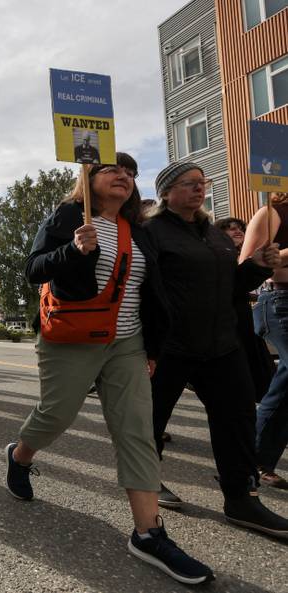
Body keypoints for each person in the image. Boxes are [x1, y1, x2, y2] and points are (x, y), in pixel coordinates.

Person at [6, 153, 215, 585]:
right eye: (113, 169)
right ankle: (20, 455)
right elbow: (32, 269)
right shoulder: (68, 216)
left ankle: (148, 533)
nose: (124, 176)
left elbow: (151, 291)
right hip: (72, 339)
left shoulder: (139, 229)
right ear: (89, 176)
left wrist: (152, 347)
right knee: (56, 414)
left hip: (127, 343)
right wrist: (72, 250)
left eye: (131, 172)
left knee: (137, 431)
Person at [146, 162, 288, 538]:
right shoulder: (151, 233)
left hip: (221, 345)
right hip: (170, 346)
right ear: (166, 192)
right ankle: (146, 483)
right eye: (189, 183)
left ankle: (241, 498)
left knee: (237, 419)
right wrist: (145, 346)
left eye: (202, 183)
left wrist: (257, 266)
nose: (199, 188)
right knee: (150, 420)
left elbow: (231, 286)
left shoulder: (214, 235)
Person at [240, 192, 288, 490]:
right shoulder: (272, 212)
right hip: (280, 301)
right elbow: (246, 264)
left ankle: (258, 458)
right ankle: (252, 458)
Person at [214, 217, 275, 405]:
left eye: (240, 228)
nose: (237, 231)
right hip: (225, 328)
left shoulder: (238, 256)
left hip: (244, 322)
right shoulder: (216, 256)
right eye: (230, 228)